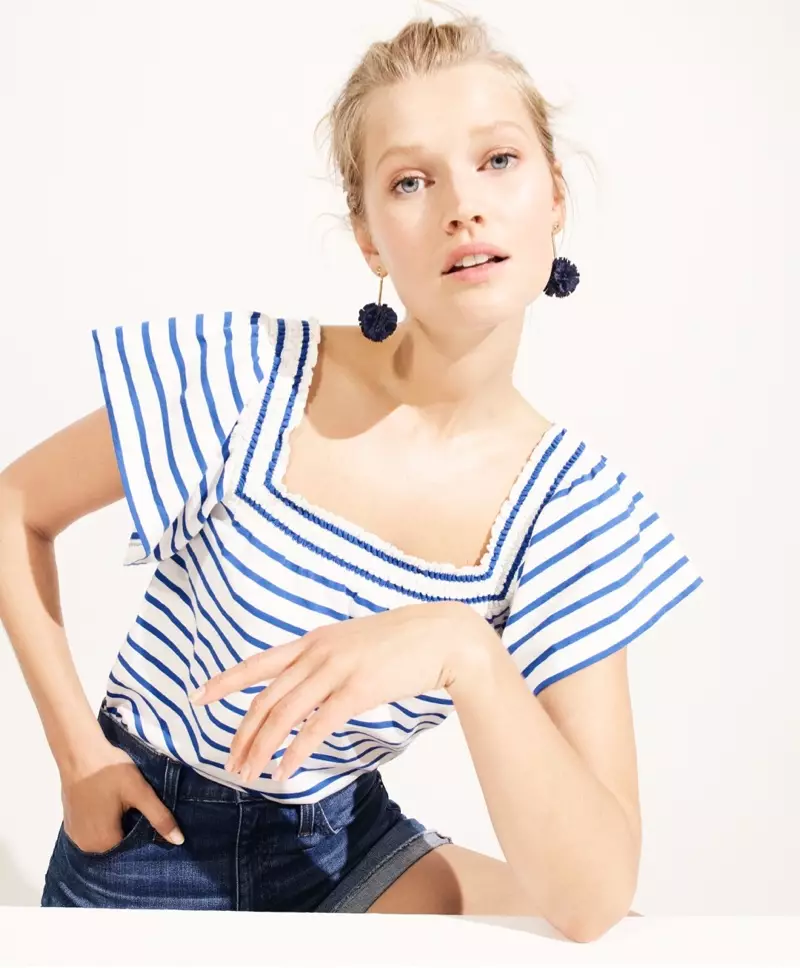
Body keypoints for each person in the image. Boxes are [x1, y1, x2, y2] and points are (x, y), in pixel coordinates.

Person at [0, 6, 702, 941]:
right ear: (370, 238)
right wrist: (77, 754)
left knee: (651, 947)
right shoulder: (254, 377)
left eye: (498, 160)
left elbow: (592, 898)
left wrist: (466, 650)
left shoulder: (570, 509)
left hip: (344, 848)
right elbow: (13, 507)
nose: (464, 204)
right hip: (149, 841)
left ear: (556, 197)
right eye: (411, 180)